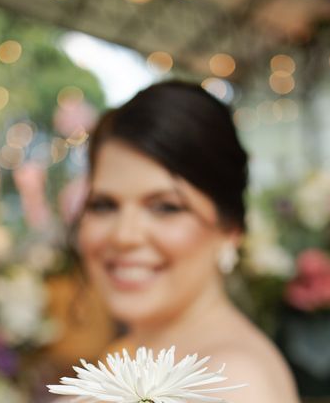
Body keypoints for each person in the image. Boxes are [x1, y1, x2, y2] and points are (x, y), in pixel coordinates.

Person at [72, 80, 299, 402]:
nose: (124, 235)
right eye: (104, 205)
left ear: (230, 229)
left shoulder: (229, 383)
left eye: (165, 207)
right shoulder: (133, 357)